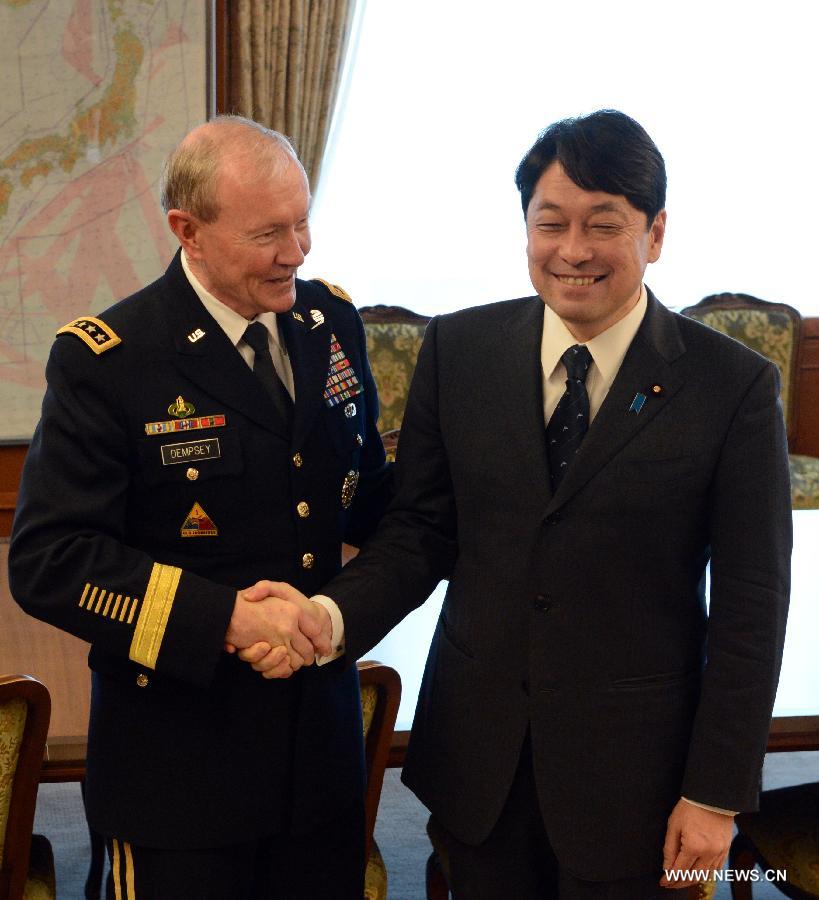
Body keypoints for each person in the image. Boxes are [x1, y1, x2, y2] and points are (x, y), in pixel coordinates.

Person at [245, 110, 792, 898]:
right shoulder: (459, 351)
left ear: (655, 232)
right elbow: (420, 534)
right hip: (478, 763)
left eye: (603, 225)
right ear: (525, 228)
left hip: (636, 778)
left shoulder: (731, 385)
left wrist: (713, 794)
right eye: (550, 223)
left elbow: (751, 606)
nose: (572, 250)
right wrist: (323, 620)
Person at [8, 115, 390, 899]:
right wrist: (228, 619)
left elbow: (368, 503)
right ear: (188, 230)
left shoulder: (330, 323)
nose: (297, 251)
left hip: (319, 758)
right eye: (267, 234)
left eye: (302, 221)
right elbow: (51, 560)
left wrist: (334, 613)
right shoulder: (110, 358)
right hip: (178, 769)